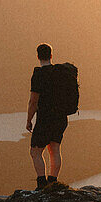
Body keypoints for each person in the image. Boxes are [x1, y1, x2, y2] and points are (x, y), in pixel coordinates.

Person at [26, 43, 67, 189]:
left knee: (35, 151)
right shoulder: (60, 72)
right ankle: (53, 182)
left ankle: (41, 183)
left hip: (45, 118)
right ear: (51, 55)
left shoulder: (38, 74)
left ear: (38, 56)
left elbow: (33, 101)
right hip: (61, 118)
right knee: (54, 149)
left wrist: (29, 120)